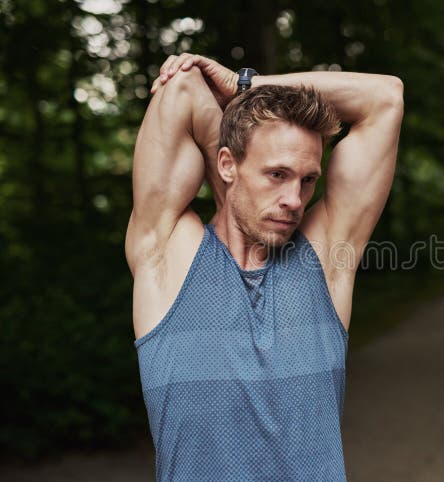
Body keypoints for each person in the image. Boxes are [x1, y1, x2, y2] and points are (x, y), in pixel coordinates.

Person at [124, 52, 403, 481]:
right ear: (226, 164)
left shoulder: (326, 259)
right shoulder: (169, 257)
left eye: (307, 179)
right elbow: (182, 88)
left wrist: (244, 84)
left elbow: (385, 96)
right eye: (277, 174)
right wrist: (239, 147)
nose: (294, 199)